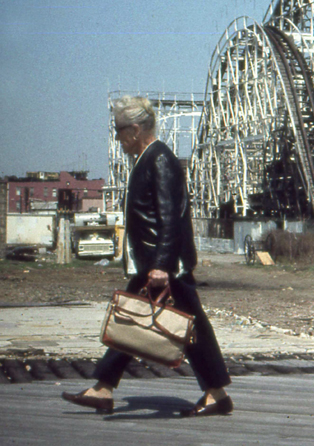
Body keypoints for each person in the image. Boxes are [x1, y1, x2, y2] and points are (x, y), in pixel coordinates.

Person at [62, 96, 233, 417]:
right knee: (167, 322)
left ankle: (105, 387)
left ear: (136, 129)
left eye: (120, 131)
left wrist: (161, 266)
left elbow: (172, 217)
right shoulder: (149, 158)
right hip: (156, 262)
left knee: (140, 319)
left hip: (163, 264)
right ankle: (214, 392)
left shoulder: (159, 160)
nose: (118, 138)